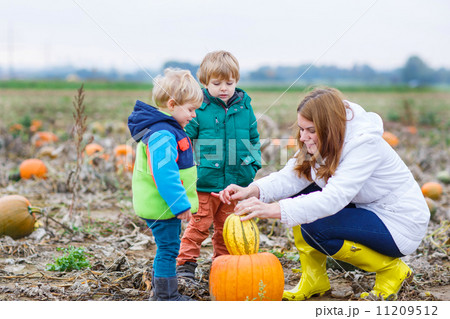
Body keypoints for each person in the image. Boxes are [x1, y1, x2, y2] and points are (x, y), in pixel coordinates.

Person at [216, 87, 430, 301]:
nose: (303, 136)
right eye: (301, 129)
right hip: (366, 209)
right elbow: (292, 176)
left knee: (315, 226)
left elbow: (334, 198)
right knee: (304, 194)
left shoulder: (364, 144)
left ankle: (391, 269)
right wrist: (251, 190)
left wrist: (273, 209)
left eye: (310, 130)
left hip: (398, 222)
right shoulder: (325, 141)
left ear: (330, 127)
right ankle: (314, 279)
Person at [176, 51, 261, 278]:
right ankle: (185, 266)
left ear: (237, 81)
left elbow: (254, 139)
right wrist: (188, 168)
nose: (223, 88)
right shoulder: (200, 108)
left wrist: (252, 167)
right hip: (205, 184)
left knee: (227, 231)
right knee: (198, 227)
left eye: (229, 82)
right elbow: (184, 138)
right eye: (217, 83)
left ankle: (220, 268)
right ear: (205, 82)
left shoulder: (244, 107)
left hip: (234, 185)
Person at [128, 68, 203, 301]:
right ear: (172, 104)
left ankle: (160, 293)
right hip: (163, 206)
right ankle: (165, 297)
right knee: (169, 248)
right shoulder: (162, 133)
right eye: (190, 109)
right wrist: (180, 204)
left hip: (163, 204)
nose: (193, 115)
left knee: (167, 247)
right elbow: (164, 173)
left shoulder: (165, 129)